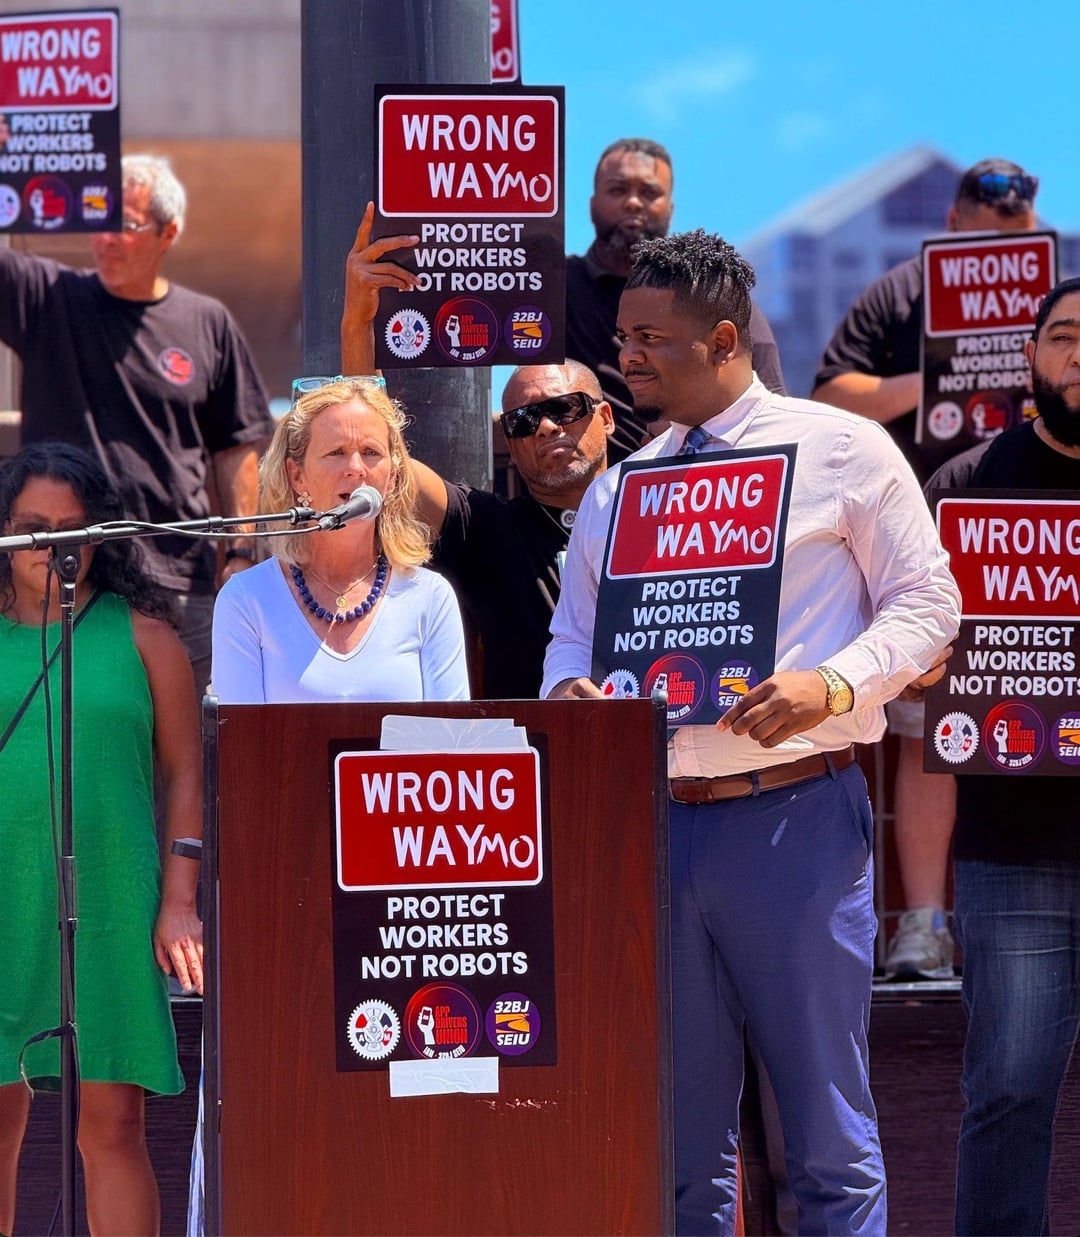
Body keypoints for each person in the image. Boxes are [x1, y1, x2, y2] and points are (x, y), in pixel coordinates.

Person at [542, 229, 961, 1234]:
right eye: (623, 333)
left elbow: (929, 603)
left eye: (650, 338)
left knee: (824, 1139)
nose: (626, 354)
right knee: (681, 1154)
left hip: (796, 826)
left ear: (725, 337)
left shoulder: (844, 449)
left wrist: (831, 681)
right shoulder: (617, 489)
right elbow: (569, 643)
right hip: (654, 833)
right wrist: (573, 701)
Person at [812, 158, 1039, 980]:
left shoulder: (1056, 300)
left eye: (1014, 234)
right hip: (929, 525)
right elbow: (831, 396)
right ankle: (924, 926)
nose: (998, 243)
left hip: (1041, 533)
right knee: (926, 729)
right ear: (953, 217)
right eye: (982, 227)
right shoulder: (898, 294)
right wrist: (938, 379)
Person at [0, 442, 203, 1237]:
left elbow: (187, 774)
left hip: (113, 901)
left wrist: (179, 900)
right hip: (4, 899)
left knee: (112, 1126)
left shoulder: (147, 637)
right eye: (31, 529)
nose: (53, 546)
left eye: (73, 529)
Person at [0, 153, 275, 694]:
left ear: (168, 232)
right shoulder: (47, 298)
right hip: (66, 575)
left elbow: (236, 449)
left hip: (178, 579)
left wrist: (241, 554)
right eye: (97, 218)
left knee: (188, 755)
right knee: (73, 743)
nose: (106, 238)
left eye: (124, 224)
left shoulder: (206, 322)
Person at [928, 276, 1080, 1235]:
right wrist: (918, 665)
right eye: (1065, 335)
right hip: (1013, 844)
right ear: (1030, 358)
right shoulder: (966, 484)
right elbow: (911, 636)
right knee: (1010, 1094)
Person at [340, 207, 615, 697]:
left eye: (567, 408)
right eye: (524, 420)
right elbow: (382, 460)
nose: (547, 426)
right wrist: (357, 322)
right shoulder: (488, 529)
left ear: (607, 417)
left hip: (664, 756)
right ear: (510, 441)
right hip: (528, 765)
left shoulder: (659, 510)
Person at [211, 377, 469, 704]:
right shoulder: (246, 599)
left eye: (371, 452)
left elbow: (449, 743)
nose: (356, 468)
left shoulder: (430, 597)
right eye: (337, 452)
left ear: (392, 478)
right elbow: (241, 746)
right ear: (297, 475)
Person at [567, 137, 786, 458]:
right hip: (585, 494)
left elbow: (769, 414)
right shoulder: (554, 289)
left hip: (701, 483)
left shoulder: (714, 296)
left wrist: (690, 432)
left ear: (669, 209)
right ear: (592, 206)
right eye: (617, 190)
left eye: (649, 192)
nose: (632, 203)